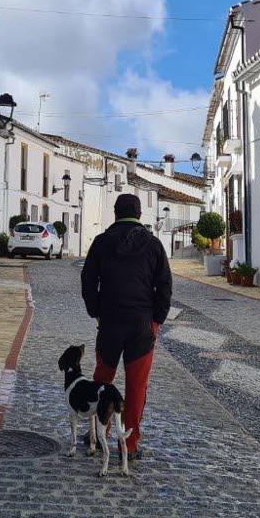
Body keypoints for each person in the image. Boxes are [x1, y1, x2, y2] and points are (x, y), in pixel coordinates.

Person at [80, 192, 172, 459]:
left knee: (102, 380)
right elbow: (164, 285)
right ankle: (129, 445)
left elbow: (88, 281)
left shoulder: (100, 243)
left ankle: (98, 435)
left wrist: (95, 311)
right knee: (136, 387)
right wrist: (157, 319)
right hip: (141, 324)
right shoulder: (153, 245)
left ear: (116, 214)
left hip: (109, 322)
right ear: (140, 214)